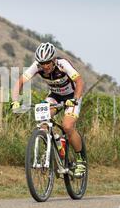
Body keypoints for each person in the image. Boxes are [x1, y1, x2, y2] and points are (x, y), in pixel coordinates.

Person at [11, 42, 86, 178]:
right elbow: (21, 81)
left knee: (67, 126)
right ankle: (55, 143)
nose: (45, 66)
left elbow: (80, 81)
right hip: (55, 96)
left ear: (53, 59)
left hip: (72, 97)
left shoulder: (63, 64)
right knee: (42, 120)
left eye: (47, 63)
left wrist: (75, 98)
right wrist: (15, 101)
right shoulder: (37, 66)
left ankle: (81, 160)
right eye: (42, 63)